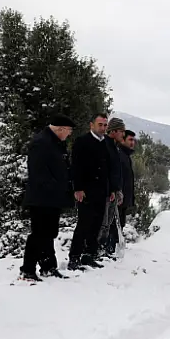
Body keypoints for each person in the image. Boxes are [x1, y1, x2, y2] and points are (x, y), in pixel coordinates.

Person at [19, 114, 76, 281]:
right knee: (39, 234)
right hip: (41, 197)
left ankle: (48, 267)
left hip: (52, 198)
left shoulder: (56, 143)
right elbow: (38, 173)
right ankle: (27, 269)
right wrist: (56, 188)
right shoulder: (41, 142)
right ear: (60, 129)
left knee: (49, 233)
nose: (69, 134)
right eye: (69, 130)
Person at [67, 113, 111, 270]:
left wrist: (111, 189)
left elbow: (108, 168)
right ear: (91, 125)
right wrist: (78, 188)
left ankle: (89, 255)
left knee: (97, 224)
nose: (103, 128)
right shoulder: (82, 142)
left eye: (105, 125)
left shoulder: (106, 143)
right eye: (100, 124)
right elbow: (76, 166)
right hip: (86, 191)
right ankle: (74, 257)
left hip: (101, 191)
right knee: (84, 224)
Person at [104, 130, 136, 257]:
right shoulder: (120, 155)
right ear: (123, 140)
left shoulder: (125, 156)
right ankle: (109, 250)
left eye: (134, 140)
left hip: (123, 198)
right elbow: (116, 177)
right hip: (117, 197)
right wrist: (117, 192)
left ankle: (113, 249)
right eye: (130, 140)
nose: (133, 143)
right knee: (113, 224)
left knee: (119, 224)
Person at [98, 117, 125, 258]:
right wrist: (110, 190)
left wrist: (118, 190)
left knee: (107, 225)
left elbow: (115, 172)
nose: (123, 135)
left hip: (113, 192)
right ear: (113, 131)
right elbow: (104, 172)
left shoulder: (114, 147)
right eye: (121, 131)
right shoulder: (105, 146)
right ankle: (94, 252)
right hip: (105, 193)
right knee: (102, 224)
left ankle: (101, 252)